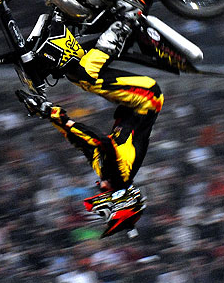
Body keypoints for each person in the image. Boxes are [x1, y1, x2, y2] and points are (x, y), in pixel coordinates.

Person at [16, 13, 163, 237]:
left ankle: (64, 24)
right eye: (109, 215)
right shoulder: (119, 176)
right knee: (86, 77)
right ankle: (122, 26)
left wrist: (49, 114)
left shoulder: (106, 173)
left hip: (135, 102)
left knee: (72, 70)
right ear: (120, 203)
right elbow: (100, 141)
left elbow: (81, 142)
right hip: (146, 98)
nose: (102, 213)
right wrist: (52, 113)